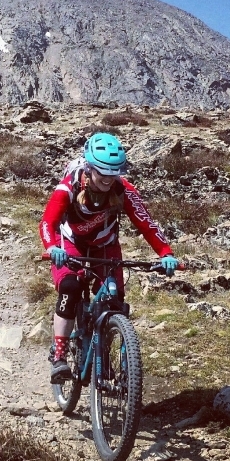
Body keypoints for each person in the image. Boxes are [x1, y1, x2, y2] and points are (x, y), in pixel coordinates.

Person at [40, 132, 178, 383]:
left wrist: (165, 253)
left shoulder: (122, 189)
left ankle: (105, 353)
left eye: (114, 172)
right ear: (90, 168)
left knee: (115, 301)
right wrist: (51, 248)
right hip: (71, 244)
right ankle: (59, 354)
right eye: (103, 171)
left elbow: (146, 223)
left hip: (106, 246)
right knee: (70, 288)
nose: (108, 178)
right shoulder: (68, 187)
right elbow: (48, 222)